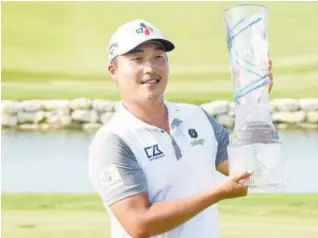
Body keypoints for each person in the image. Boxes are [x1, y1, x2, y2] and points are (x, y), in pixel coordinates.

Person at [88, 19, 274, 238]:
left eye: (159, 57)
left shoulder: (197, 117)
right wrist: (218, 193)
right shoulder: (113, 141)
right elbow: (139, 223)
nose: (150, 68)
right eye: (137, 59)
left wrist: (254, 103)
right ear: (113, 70)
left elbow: (252, 172)